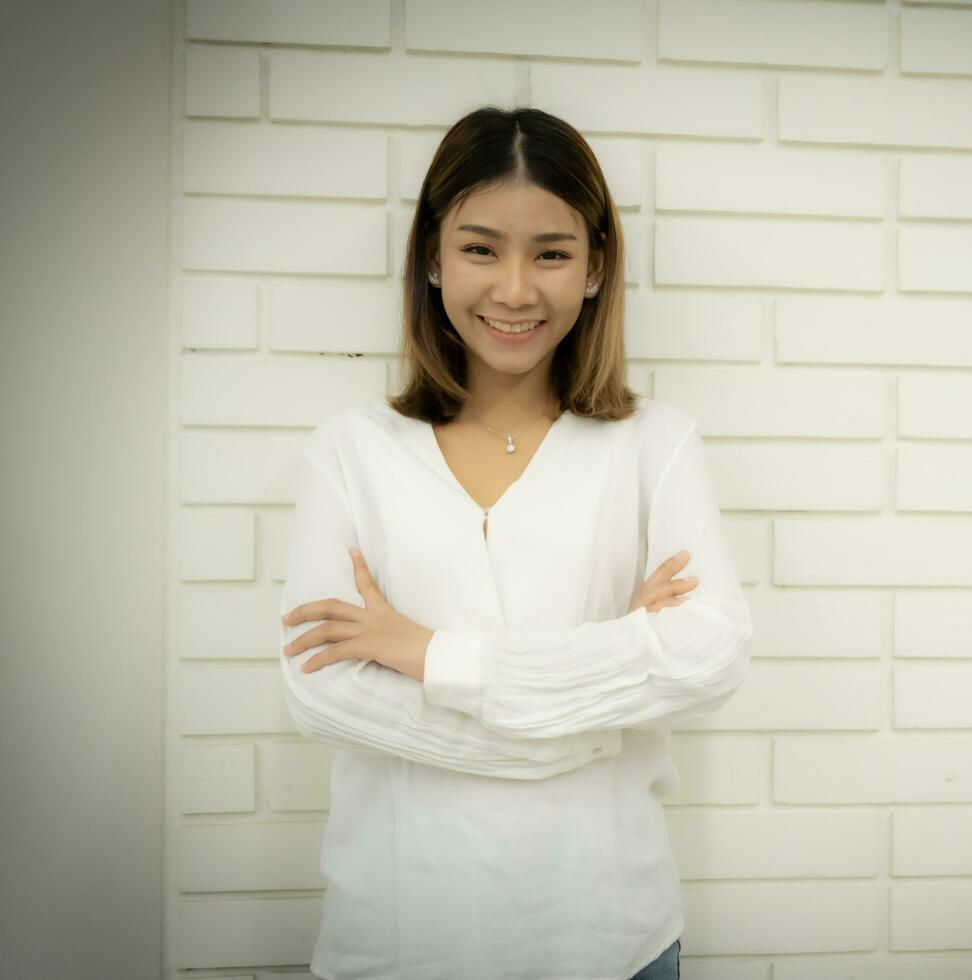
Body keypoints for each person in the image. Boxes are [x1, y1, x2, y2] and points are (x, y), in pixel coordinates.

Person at [276, 105, 753, 980]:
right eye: (481, 248)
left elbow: (711, 657)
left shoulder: (656, 443)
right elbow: (322, 698)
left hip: (612, 938)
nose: (515, 290)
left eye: (553, 253)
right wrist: (600, 704)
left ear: (596, 267)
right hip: (399, 942)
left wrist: (428, 655)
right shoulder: (350, 450)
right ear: (431, 255)